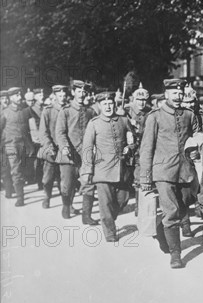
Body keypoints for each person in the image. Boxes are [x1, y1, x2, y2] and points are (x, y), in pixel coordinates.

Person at [139, 79, 200, 269]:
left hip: (185, 170)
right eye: (175, 93)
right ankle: (176, 254)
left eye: (181, 93)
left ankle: (161, 229)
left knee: (183, 206)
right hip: (163, 171)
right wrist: (145, 177)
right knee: (172, 211)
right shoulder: (155, 117)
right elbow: (146, 148)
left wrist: (196, 151)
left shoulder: (190, 115)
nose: (178, 96)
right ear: (166, 94)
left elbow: (198, 137)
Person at [80, 91, 136, 242]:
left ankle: (110, 217)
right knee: (105, 204)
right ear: (99, 105)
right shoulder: (94, 123)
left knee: (123, 199)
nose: (108, 107)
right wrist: (87, 170)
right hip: (102, 170)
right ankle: (110, 233)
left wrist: (130, 147)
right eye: (104, 104)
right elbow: (87, 148)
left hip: (121, 169)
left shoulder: (123, 120)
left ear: (115, 104)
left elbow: (132, 139)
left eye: (110, 103)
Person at [54, 80, 98, 222]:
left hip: (85, 155)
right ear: (73, 93)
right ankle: (67, 205)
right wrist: (64, 147)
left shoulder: (90, 111)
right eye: (78, 91)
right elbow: (60, 132)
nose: (81, 94)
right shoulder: (65, 111)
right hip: (68, 155)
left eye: (84, 92)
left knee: (88, 184)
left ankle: (86, 216)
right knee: (67, 184)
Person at [1, 87, 35, 206]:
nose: (19, 97)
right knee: (16, 170)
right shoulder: (4, 112)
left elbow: (33, 126)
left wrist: (32, 143)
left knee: (24, 169)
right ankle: (20, 198)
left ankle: (19, 188)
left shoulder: (25, 110)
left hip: (25, 144)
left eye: (20, 95)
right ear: (11, 98)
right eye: (16, 95)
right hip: (11, 145)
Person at [37, 85, 69, 209]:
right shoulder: (48, 111)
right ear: (54, 96)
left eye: (64, 95)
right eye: (59, 96)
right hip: (52, 148)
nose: (62, 98)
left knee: (66, 179)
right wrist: (49, 146)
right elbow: (43, 132)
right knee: (48, 178)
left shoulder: (68, 110)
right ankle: (47, 196)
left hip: (64, 150)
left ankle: (67, 204)